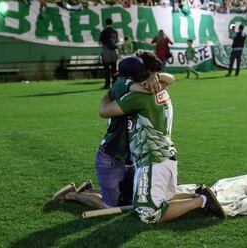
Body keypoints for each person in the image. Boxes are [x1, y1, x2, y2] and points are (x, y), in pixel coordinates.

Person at [98, 53, 226, 223]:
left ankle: (201, 201)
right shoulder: (161, 87)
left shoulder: (139, 96)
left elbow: (104, 111)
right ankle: (199, 194)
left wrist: (110, 92)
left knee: (147, 213)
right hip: (166, 156)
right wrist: (153, 76)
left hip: (152, 160)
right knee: (164, 197)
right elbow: (169, 78)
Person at [52, 55, 162, 209]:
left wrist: (153, 75)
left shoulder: (123, 83)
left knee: (129, 201)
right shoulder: (123, 83)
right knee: (109, 206)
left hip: (127, 158)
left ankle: (88, 190)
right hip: (111, 156)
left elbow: (168, 79)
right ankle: (72, 195)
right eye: (143, 71)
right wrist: (152, 78)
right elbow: (145, 88)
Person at [100, 18, 119, 89]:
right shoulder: (115, 31)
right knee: (114, 68)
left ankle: (107, 84)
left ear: (106, 23)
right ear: (112, 23)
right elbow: (117, 41)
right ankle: (115, 84)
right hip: (114, 51)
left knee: (107, 69)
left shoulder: (104, 32)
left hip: (106, 51)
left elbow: (100, 42)